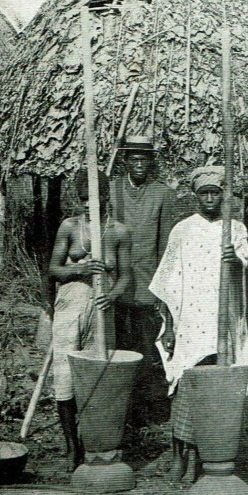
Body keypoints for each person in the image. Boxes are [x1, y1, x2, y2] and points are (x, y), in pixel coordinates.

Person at [149, 165, 248, 484]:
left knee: (217, 382)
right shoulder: (182, 229)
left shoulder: (235, 229)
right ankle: (181, 455)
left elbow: (244, 263)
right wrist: (167, 325)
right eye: (204, 193)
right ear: (195, 196)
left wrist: (233, 258)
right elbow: (168, 278)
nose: (210, 198)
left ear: (224, 196)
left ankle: (206, 456)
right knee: (185, 383)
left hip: (221, 316)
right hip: (189, 319)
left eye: (215, 193)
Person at [48, 169, 132, 471]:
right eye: (83, 199)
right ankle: (73, 448)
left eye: (94, 199)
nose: (87, 205)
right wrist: (79, 269)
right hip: (71, 305)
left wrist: (113, 296)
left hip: (102, 308)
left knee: (97, 372)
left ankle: (97, 441)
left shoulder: (119, 231)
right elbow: (54, 269)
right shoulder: (69, 228)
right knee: (65, 377)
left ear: (106, 198)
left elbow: (126, 277)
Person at [110, 135, 178, 420]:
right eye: (134, 158)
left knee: (147, 346)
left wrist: (163, 288)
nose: (140, 164)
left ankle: (149, 408)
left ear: (152, 162)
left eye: (145, 159)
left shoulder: (162, 194)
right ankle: (123, 408)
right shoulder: (112, 191)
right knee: (119, 344)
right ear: (125, 161)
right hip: (116, 281)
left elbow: (165, 244)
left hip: (148, 281)